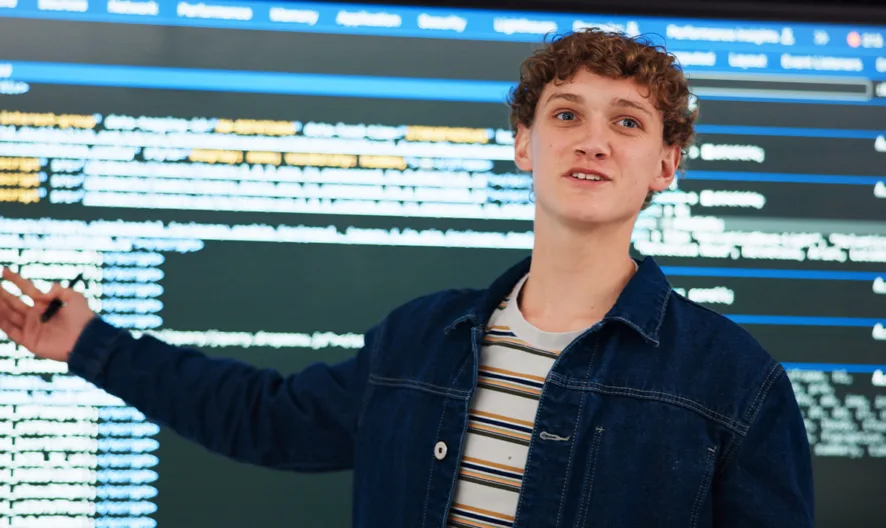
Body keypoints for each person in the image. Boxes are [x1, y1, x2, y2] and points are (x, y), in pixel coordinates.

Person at [0, 28, 814, 527]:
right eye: (565, 114)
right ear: (525, 145)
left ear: (665, 163)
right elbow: (265, 420)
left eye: (626, 123)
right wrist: (89, 344)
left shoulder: (734, 386)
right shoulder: (419, 342)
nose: (592, 141)